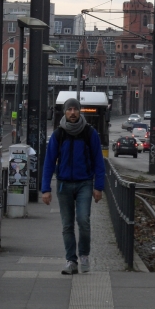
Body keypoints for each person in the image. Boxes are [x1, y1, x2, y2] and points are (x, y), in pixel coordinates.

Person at [41, 97, 105, 275]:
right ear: (65, 112)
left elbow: (99, 161)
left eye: (75, 109)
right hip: (64, 185)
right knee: (67, 225)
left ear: (79, 111)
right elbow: (49, 162)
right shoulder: (59, 134)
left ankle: (84, 255)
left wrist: (99, 187)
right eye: (69, 109)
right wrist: (45, 189)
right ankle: (71, 261)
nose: (72, 112)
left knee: (83, 220)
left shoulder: (89, 133)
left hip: (85, 183)